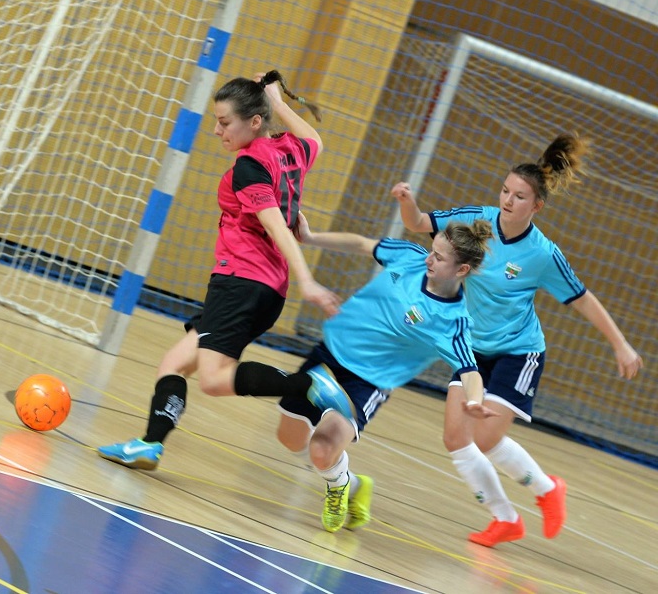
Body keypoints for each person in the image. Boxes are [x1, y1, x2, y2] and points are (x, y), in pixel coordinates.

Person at [390, 134, 644, 547]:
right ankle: (506, 518)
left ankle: (546, 489)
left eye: (520, 196)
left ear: (536, 206)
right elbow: (419, 223)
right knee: (456, 439)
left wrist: (620, 344)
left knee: (485, 438)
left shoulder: (542, 254)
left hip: (518, 351)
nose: (508, 200)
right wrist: (406, 200)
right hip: (473, 348)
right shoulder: (477, 221)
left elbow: (582, 300)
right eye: (506, 191)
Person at [97, 70, 347, 471]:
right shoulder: (290, 149)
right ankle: (150, 444)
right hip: (264, 290)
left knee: (214, 380)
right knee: (174, 363)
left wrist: (309, 281)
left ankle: (309, 384)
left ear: (254, 122)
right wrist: (278, 103)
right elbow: (316, 141)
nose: (216, 130)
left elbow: (278, 228)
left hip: (242, 283)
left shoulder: (250, 168)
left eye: (225, 122)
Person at [275, 215, 498, 532]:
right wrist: (310, 237)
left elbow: (470, 371)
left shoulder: (453, 321)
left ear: (462, 270)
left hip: (367, 382)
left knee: (322, 450)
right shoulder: (409, 258)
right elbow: (361, 243)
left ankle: (336, 486)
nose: (429, 259)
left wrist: (474, 401)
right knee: (289, 437)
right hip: (328, 354)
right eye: (432, 250)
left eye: (439, 257)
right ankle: (352, 484)